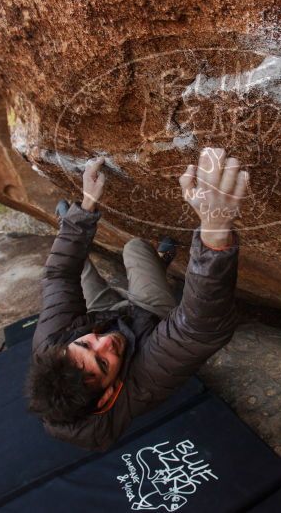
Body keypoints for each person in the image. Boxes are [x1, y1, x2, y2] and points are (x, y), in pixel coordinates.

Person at [27, 147, 249, 451]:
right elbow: (197, 329)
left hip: (102, 314)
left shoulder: (50, 347)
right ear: (109, 394)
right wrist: (214, 235)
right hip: (148, 323)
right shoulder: (143, 383)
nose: (104, 342)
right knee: (134, 248)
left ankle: (70, 223)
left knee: (75, 271)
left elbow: (58, 277)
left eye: (85, 344)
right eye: (103, 363)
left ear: (61, 350)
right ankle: (160, 260)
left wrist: (87, 205)